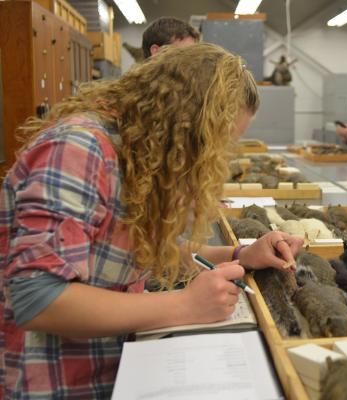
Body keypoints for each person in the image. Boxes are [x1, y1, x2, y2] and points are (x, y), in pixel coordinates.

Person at [0, 43, 303, 398]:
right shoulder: (78, 149)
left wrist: (240, 255)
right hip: (59, 384)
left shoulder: (133, 152)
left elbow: (131, 250)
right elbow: (39, 300)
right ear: (182, 120)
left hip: (118, 368)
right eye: (216, 141)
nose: (216, 156)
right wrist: (184, 306)